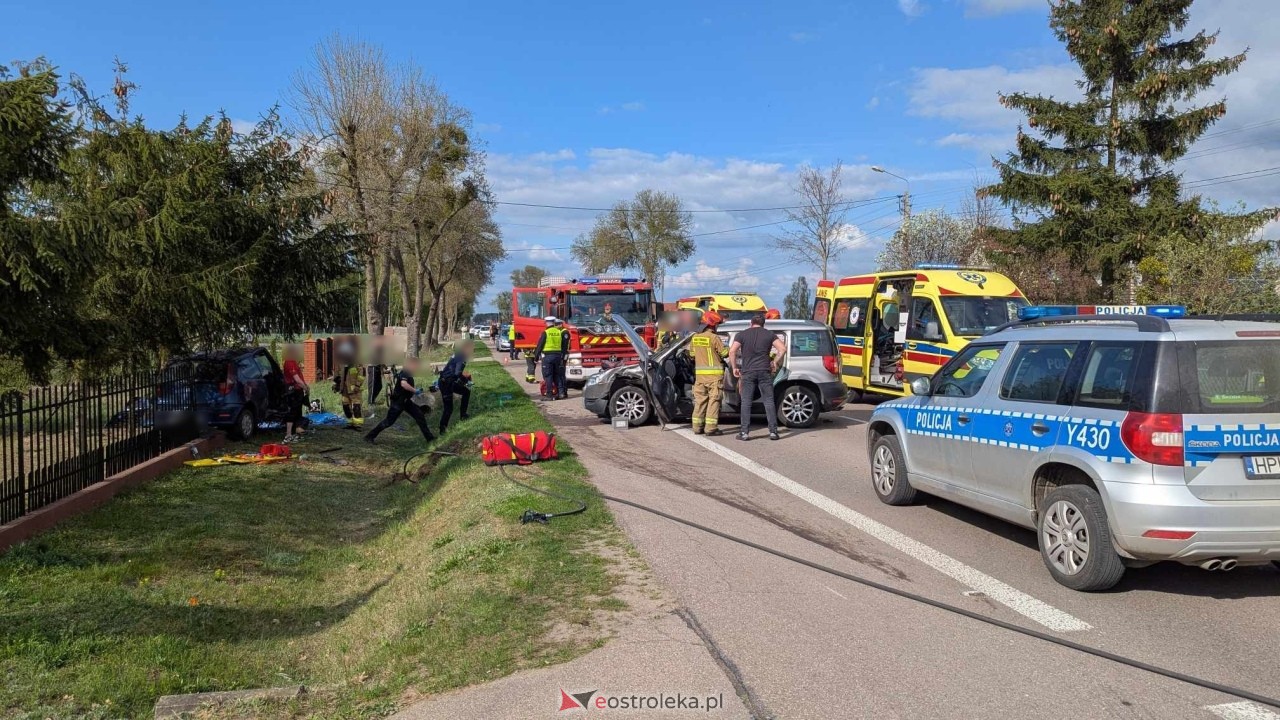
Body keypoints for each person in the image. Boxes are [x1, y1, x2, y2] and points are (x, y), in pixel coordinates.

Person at [728, 312, 788, 441]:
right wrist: (775, 362)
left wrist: (734, 368)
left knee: (746, 402)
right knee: (768, 401)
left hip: (748, 372)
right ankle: (773, 432)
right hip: (764, 371)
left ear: (751, 323)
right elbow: (782, 349)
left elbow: (732, 351)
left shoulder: (742, 334)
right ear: (763, 324)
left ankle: (744, 433)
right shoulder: (769, 334)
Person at [364, 356, 435, 444]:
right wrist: (415, 390)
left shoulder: (408, 373)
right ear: (411, 364)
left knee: (420, 416)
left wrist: (415, 390)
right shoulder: (405, 372)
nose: (417, 367)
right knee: (388, 421)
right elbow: (403, 384)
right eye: (416, 365)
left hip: (406, 401)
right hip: (398, 402)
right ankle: (369, 436)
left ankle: (430, 438)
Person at [687, 311, 728, 436]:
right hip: (714, 377)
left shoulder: (695, 337)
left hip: (700, 377)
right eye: (716, 325)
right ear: (712, 325)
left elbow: (692, 355)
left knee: (700, 401)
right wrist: (730, 348)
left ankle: (697, 427)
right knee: (714, 401)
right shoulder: (714, 338)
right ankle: (710, 429)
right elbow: (724, 353)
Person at [438, 340, 473, 434]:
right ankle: (442, 428)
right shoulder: (462, 358)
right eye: (471, 349)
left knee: (466, 391)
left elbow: (455, 372)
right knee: (448, 408)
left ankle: (463, 415)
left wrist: (465, 380)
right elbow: (457, 373)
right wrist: (465, 380)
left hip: (449, 381)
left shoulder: (459, 355)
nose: (472, 351)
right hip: (446, 384)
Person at [534, 315, 567, 401]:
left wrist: (536, 356)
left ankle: (549, 394)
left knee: (548, 375)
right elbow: (564, 345)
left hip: (548, 357)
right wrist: (562, 356)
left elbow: (540, 345)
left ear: (547, 323)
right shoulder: (559, 332)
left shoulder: (546, 332)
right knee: (558, 375)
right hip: (558, 356)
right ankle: (561, 393)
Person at [281, 345, 309, 443]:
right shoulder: (290, 363)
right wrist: (306, 388)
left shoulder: (292, 362)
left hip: (297, 391)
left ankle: (295, 433)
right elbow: (297, 379)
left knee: (297, 412)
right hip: (294, 391)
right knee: (292, 412)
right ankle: (288, 435)